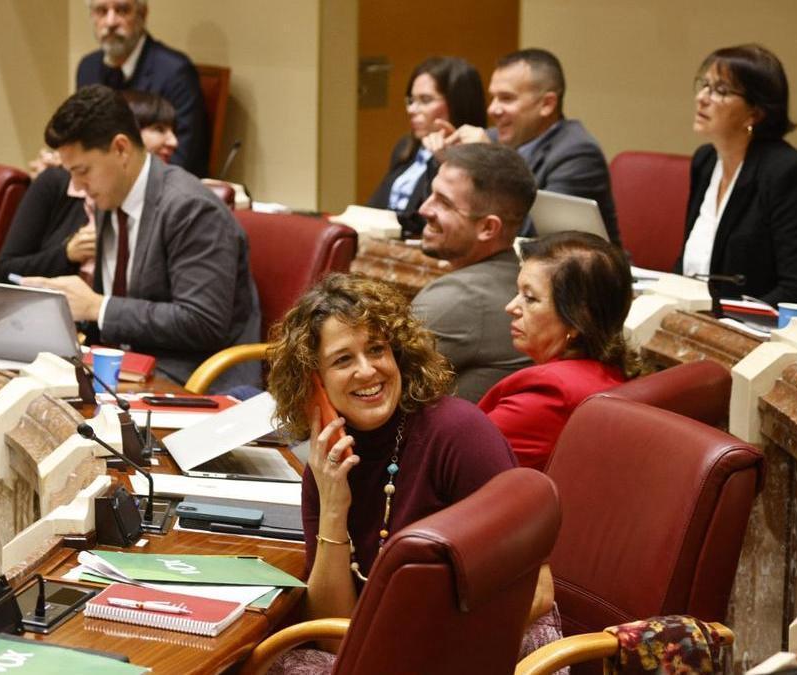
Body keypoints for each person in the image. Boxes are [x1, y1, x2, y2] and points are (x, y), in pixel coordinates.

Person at [265, 273, 561, 672]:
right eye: (343, 360)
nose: (368, 371)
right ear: (313, 382)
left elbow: (537, 592)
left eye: (377, 349)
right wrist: (333, 506)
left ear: (399, 355)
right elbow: (333, 639)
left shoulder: (459, 434)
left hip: (491, 650)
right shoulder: (328, 463)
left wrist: (412, 654)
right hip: (393, 653)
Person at [22, 85, 260, 390]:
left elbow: (202, 322)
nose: (77, 186)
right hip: (124, 370)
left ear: (121, 149)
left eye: (83, 170)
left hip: (193, 379)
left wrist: (97, 307)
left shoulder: (191, 208)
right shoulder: (112, 195)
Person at [676, 44, 797, 316]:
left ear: (755, 113)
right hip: (698, 322)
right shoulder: (706, 161)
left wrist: (721, 318)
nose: (702, 98)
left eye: (720, 90)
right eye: (704, 85)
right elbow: (689, 266)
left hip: (756, 332)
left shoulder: (791, 175)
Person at [477, 232, 636, 470]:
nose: (510, 307)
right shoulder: (611, 372)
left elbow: (456, 466)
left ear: (577, 319)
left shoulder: (551, 393)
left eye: (530, 298)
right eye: (517, 293)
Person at [427, 49, 618, 242]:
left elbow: (536, 238)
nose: (492, 109)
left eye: (506, 98)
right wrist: (450, 162)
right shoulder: (492, 137)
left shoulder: (578, 154)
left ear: (547, 104)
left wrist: (491, 164)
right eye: (493, 97)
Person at [0, 91, 180, 282]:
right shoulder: (55, 181)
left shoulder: (173, 201)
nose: (174, 142)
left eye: (83, 170)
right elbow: (5, 270)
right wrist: (67, 254)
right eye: (159, 129)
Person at [411, 143, 535, 401]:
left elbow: (367, 382)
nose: (424, 209)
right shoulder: (513, 276)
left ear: (488, 228)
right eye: (431, 194)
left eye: (444, 202)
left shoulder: (459, 297)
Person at [76, 0, 209, 177]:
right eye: (101, 11)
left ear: (143, 14)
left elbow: (182, 160)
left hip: (157, 187)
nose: (110, 22)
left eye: (122, 10)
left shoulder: (175, 72)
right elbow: (83, 141)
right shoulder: (88, 68)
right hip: (98, 184)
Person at [368, 57, 486, 237]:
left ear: (457, 103)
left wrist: (445, 162)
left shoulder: (477, 156)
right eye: (411, 100)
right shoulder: (405, 147)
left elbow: (441, 224)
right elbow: (375, 209)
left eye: (425, 100)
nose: (411, 109)